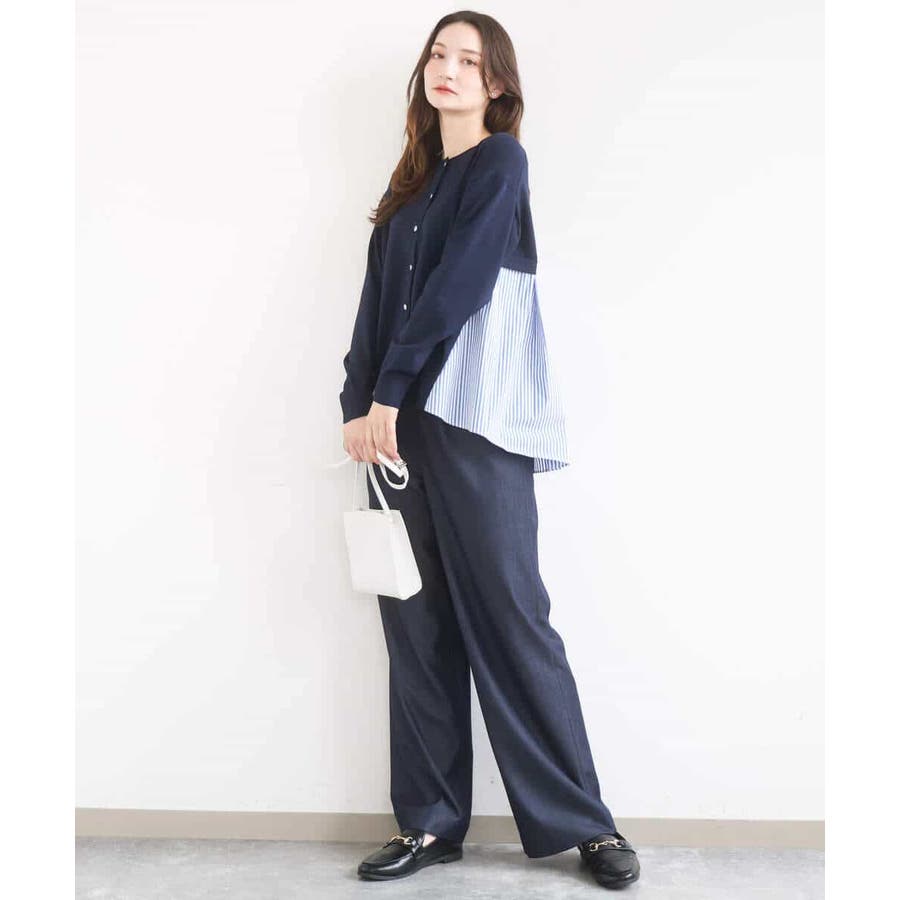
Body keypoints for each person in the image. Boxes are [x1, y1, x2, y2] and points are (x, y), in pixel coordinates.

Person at [338, 11, 640, 890]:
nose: (450, 69)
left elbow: (463, 285)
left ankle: (586, 824)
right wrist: (358, 407)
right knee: (415, 626)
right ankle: (430, 824)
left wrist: (391, 389)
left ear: (497, 83)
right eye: (440, 54)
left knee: (512, 615)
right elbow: (373, 307)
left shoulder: (500, 164)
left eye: (471, 61)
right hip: (392, 431)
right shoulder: (406, 188)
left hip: (473, 420)